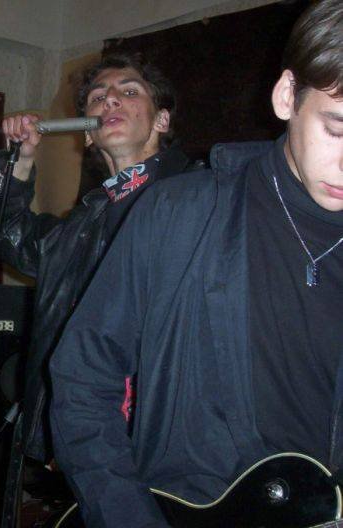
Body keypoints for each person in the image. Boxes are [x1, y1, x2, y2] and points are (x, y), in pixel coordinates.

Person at [49, 0, 343, 526]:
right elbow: (83, 374)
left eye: (130, 92)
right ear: (286, 96)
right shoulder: (175, 211)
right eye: (338, 129)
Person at [0, 52, 197, 465]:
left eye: (129, 92)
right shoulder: (85, 223)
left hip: (170, 435)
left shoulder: (199, 195)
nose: (110, 100)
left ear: (161, 120)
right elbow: (7, 238)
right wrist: (19, 161)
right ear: (87, 134)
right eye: (98, 98)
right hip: (91, 432)